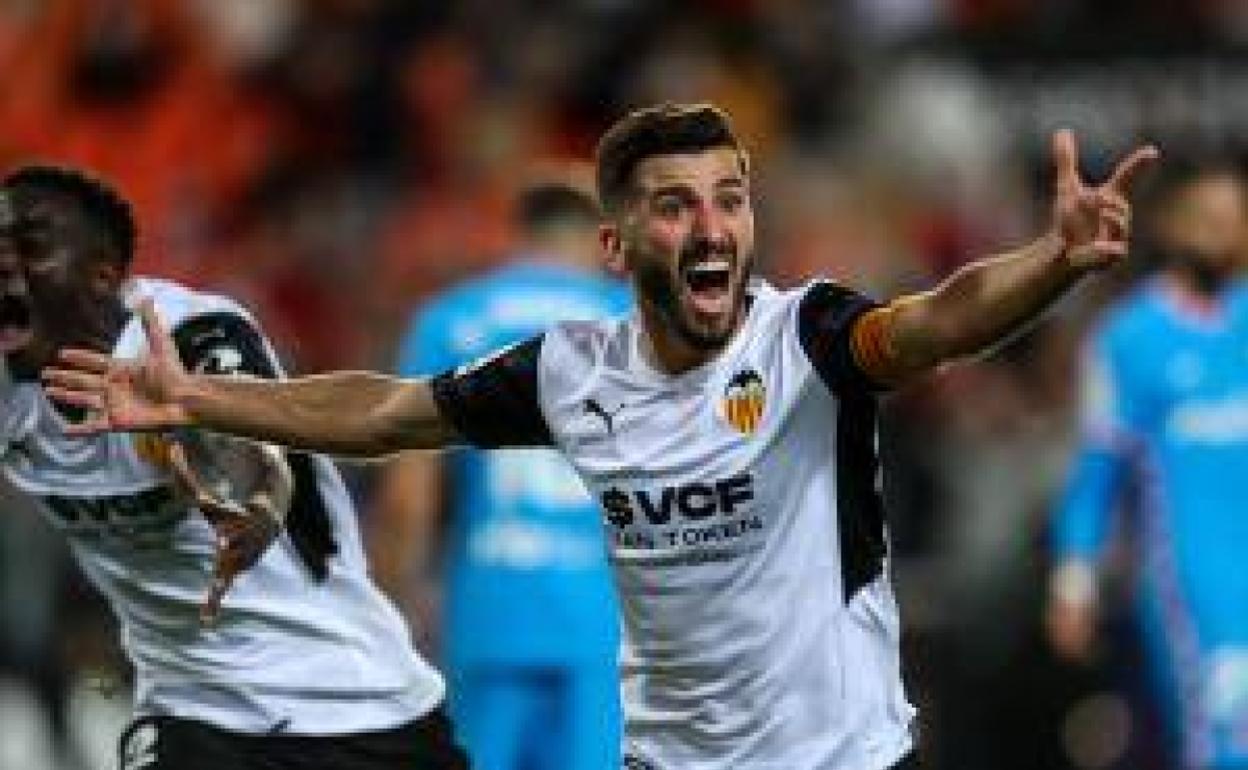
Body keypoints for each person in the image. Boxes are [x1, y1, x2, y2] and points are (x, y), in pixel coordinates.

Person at [45, 103, 1157, 770]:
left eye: (732, 197)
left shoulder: (805, 339)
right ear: (618, 248)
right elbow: (387, 412)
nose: (713, 226)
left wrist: (1052, 261)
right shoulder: (572, 369)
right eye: (677, 205)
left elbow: (939, 320)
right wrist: (200, 398)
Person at [0, 165, 468, 770]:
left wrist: (247, 499)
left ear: (103, 276)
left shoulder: (192, 333)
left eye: (30, 244)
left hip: (358, 702)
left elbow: (253, 454)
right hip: (190, 716)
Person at [370, 178, 628, 770]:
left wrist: (392, 609)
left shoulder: (450, 319)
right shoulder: (629, 321)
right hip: (602, 618)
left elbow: (409, 497)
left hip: (490, 606)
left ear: (515, 238)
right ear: (598, 241)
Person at [1046, 160, 1248, 770]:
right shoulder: (1127, 340)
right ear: (1173, 227)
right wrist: (1075, 577)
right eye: (1208, 216)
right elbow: (1096, 467)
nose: (1224, 231)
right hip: (1191, 581)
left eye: (1235, 218)